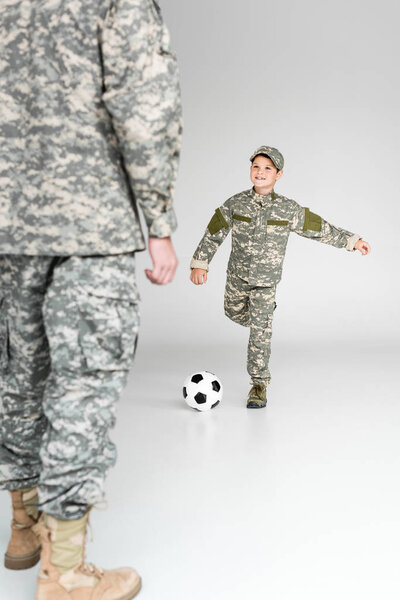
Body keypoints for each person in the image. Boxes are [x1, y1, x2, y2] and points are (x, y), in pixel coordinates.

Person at [0, 1, 182, 598]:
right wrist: (158, 222)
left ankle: (23, 530)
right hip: (91, 222)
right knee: (82, 386)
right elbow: (145, 105)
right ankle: (67, 572)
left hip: (5, 220)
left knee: (18, 372)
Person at [190, 145, 371, 408]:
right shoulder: (235, 203)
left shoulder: (288, 209)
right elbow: (213, 232)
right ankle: (261, 318)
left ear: (279, 175)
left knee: (260, 332)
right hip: (237, 277)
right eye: (256, 167)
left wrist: (352, 241)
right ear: (250, 170)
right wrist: (200, 263)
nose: (260, 172)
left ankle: (259, 384)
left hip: (266, 281)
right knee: (233, 312)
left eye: (267, 168)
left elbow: (320, 228)